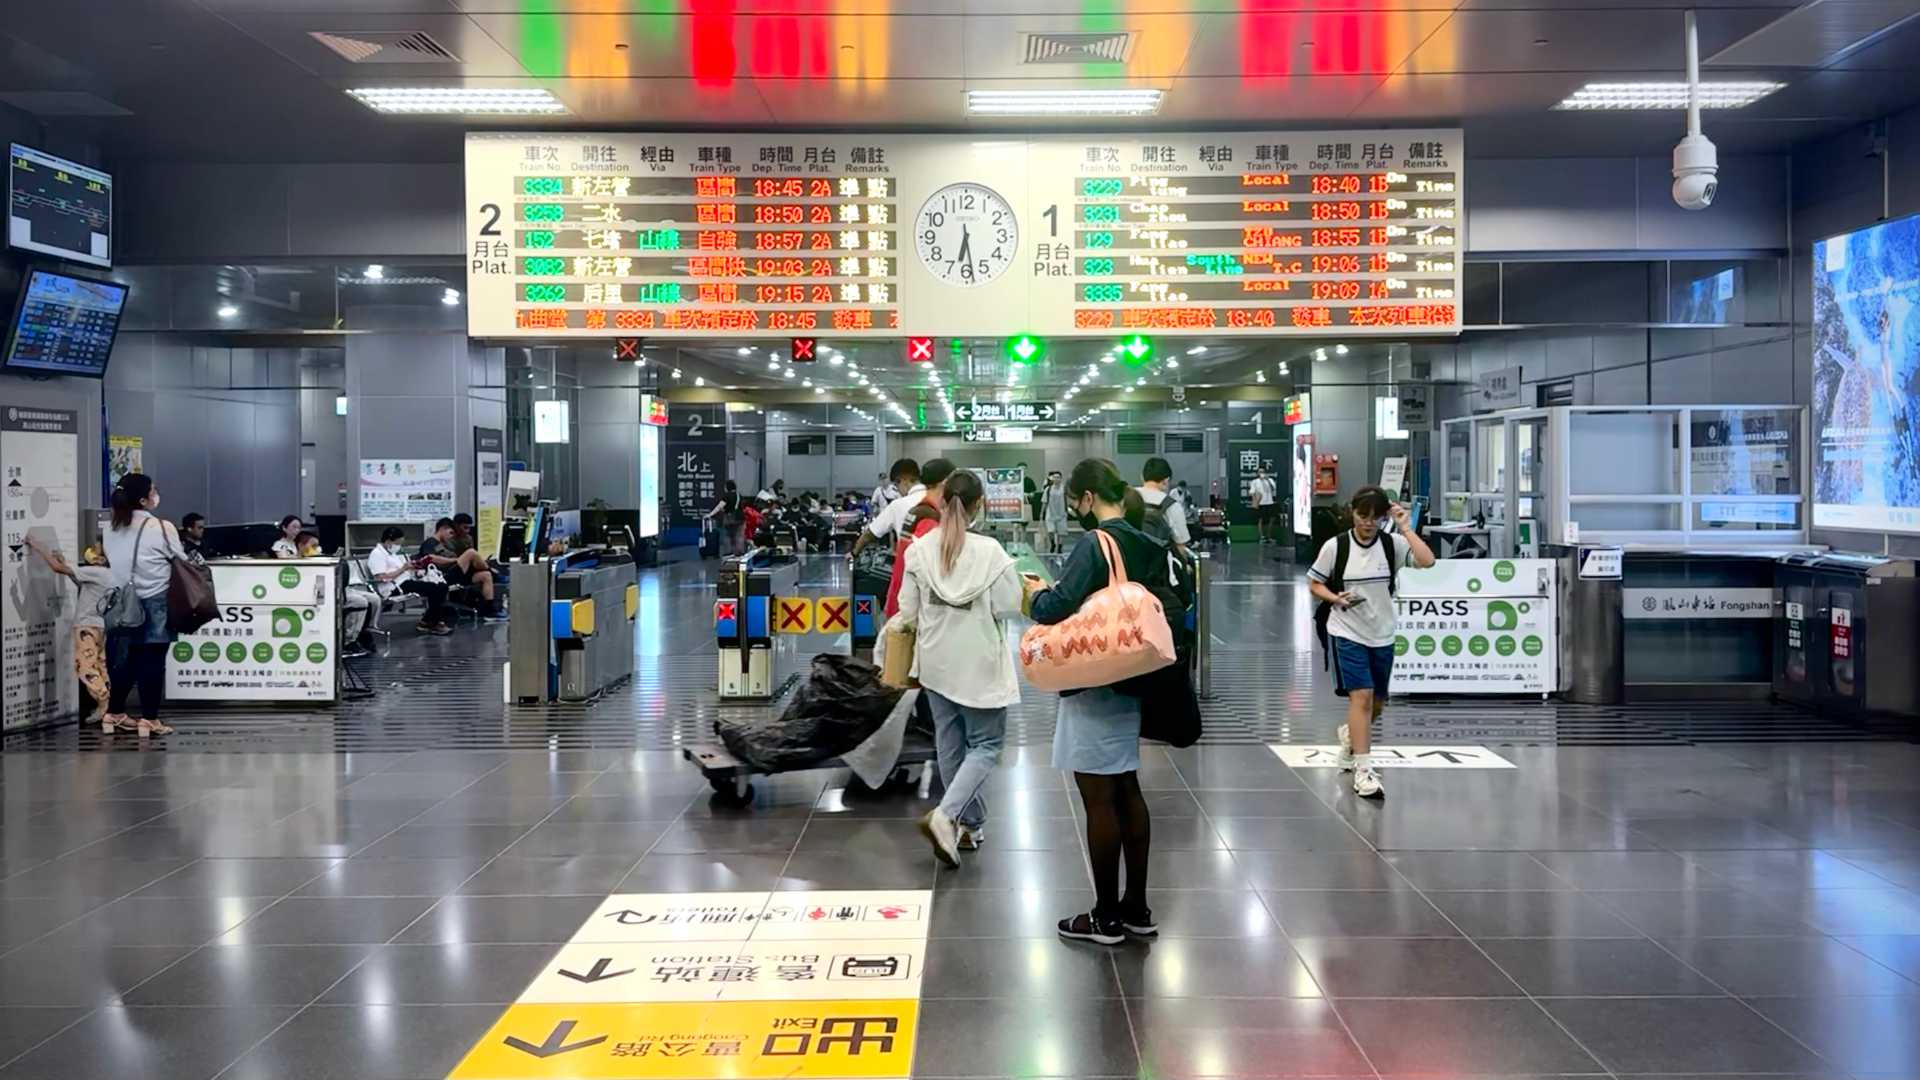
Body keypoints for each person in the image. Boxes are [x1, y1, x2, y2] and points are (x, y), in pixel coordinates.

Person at [1029, 459, 1172, 945]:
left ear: (1088, 497)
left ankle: (1106, 916)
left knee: (1098, 798)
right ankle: (1138, 906)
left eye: (1076, 501)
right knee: (1126, 785)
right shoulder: (1147, 538)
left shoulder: (1097, 542)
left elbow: (1055, 607)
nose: (1076, 509)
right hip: (1135, 678)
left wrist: (1035, 594)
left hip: (1095, 678)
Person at [894, 470, 1024, 865]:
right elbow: (1007, 605)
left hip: (936, 661)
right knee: (985, 745)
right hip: (978, 661)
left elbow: (907, 612)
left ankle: (970, 823)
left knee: (949, 746)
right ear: (978, 506)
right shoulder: (991, 553)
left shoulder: (918, 550)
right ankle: (946, 816)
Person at [1307, 485, 1436, 799]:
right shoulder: (1335, 547)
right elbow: (1314, 583)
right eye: (1362, 516)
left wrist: (1405, 526)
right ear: (1352, 512)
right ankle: (1363, 770)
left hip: (1383, 632)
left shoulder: (1393, 544)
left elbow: (1427, 560)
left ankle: (1351, 735)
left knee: (1377, 703)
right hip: (1346, 631)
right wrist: (1336, 598)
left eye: (1375, 518)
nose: (1367, 523)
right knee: (1361, 697)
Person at [102, 473, 185, 737]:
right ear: (143, 499)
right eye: (153, 490)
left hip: (121, 603)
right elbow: (180, 559)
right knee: (151, 662)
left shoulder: (110, 527)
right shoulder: (161, 527)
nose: (155, 494)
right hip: (154, 602)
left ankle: (113, 713)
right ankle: (149, 720)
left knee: (124, 661)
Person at [23, 537, 115, 731]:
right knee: (100, 665)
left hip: (86, 627)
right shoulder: (110, 574)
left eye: (96, 551)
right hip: (99, 625)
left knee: (85, 668)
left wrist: (40, 546)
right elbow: (79, 581)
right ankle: (107, 707)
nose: (92, 554)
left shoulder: (97, 572)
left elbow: (57, 568)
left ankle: (104, 702)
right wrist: (64, 562)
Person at [882, 458, 955, 618]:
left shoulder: (921, 511)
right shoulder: (928, 516)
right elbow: (924, 571)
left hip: (904, 599)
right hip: (916, 609)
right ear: (945, 483)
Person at [297, 532, 375, 654]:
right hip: (325, 593)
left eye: (317, 546)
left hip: (338, 588)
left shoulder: (322, 559)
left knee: (372, 599)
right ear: (301, 546)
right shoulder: (300, 562)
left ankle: (362, 634)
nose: (317, 549)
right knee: (360, 602)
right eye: (313, 546)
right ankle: (348, 641)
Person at [368, 526, 452, 635]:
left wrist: (413, 567)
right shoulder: (377, 554)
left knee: (441, 587)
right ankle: (431, 622)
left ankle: (430, 621)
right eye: (397, 543)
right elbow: (381, 578)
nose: (398, 546)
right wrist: (403, 568)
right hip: (393, 587)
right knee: (438, 589)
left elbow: (400, 570)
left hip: (405, 583)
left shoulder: (391, 554)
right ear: (388, 541)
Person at [420, 517, 503, 619]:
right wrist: (456, 560)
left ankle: (489, 610)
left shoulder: (443, 545)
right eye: (450, 533)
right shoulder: (431, 542)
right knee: (471, 553)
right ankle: (494, 573)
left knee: (486, 575)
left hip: (455, 574)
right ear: (442, 529)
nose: (451, 536)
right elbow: (430, 558)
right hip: (443, 576)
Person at [849, 458, 923, 569]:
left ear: (903, 480)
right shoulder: (937, 499)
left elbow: (869, 534)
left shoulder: (898, 505)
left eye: (897, 486)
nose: (898, 491)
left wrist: (854, 553)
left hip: (912, 568)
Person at [1137, 457, 1191, 561]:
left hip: (1125, 571)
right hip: (1159, 570)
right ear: (1166, 480)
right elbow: (1181, 545)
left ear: (1142, 477)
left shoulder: (1126, 498)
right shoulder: (1172, 505)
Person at [707, 481, 746, 557]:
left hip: (729, 519)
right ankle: (740, 552)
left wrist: (710, 514)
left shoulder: (727, 496)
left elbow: (719, 506)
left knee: (727, 535)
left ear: (727, 487)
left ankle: (729, 552)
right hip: (741, 518)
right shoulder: (739, 495)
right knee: (739, 535)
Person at [1249, 468, 1278, 544]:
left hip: (1270, 502)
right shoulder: (1255, 482)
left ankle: (1269, 536)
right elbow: (1252, 492)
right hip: (1261, 503)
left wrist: (1267, 480)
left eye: (1263, 472)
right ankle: (1262, 537)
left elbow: (1273, 489)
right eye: (1260, 472)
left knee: (1272, 519)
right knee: (1260, 520)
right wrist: (1255, 502)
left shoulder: (1270, 480)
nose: (1261, 473)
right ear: (1257, 474)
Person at [1041, 470, 1068, 553]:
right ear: (1052, 479)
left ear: (1061, 479)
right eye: (1055, 477)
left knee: (1061, 532)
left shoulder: (1065, 489)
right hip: (1050, 513)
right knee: (1050, 531)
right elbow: (1044, 502)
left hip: (1062, 513)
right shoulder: (1048, 489)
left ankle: (1060, 547)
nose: (1056, 479)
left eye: (1058, 477)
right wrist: (1042, 513)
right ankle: (1053, 543)